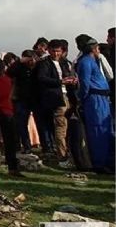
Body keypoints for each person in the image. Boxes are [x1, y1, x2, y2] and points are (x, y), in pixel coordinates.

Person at [75, 36, 114, 174]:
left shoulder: (93, 61)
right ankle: (99, 163)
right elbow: (84, 83)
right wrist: (81, 98)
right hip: (94, 99)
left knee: (106, 129)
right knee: (97, 130)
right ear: (92, 48)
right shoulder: (86, 62)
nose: (99, 50)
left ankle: (109, 162)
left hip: (102, 98)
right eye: (97, 47)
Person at [35, 39, 76, 168]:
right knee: (61, 126)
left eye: (58, 51)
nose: (56, 53)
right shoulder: (44, 63)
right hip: (56, 98)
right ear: (48, 50)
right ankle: (62, 156)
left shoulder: (64, 63)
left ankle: (67, 153)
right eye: (53, 50)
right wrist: (60, 82)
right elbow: (41, 78)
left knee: (67, 126)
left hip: (66, 96)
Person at [7, 50, 38, 154]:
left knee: (40, 124)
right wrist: (19, 62)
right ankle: (26, 145)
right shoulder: (19, 68)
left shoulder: (37, 67)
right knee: (21, 124)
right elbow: (9, 73)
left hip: (35, 98)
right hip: (21, 99)